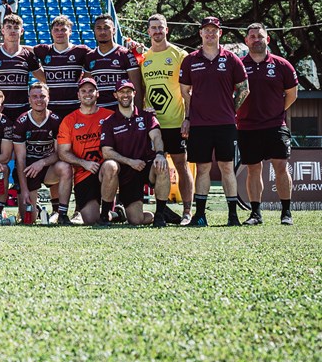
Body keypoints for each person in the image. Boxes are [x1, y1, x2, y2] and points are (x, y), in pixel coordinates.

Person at [179, 16, 249, 227]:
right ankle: (200, 216)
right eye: (206, 30)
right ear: (200, 33)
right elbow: (185, 91)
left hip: (225, 124)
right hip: (199, 124)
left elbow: (244, 88)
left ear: (220, 33)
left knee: (227, 167)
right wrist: (190, 116)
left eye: (214, 30)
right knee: (202, 168)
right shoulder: (191, 59)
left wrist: (231, 111)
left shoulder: (231, 59)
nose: (210, 34)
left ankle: (232, 216)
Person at [237, 23, 298, 226]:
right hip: (247, 126)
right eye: (252, 36)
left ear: (267, 40)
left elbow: (292, 94)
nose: (256, 39)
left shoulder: (282, 65)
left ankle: (286, 212)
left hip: (275, 125)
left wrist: (277, 111)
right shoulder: (238, 65)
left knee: (281, 166)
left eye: (260, 36)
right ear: (246, 41)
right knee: (253, 169)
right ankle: (255, 214)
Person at [139, 13, 192, 224]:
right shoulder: (144, 59)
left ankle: (187, 211)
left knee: (181, 165)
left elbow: (189, 91)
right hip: (153, 125)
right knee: (152, 168)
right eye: (153, 28)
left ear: (167, 29)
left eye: (161, 27)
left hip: (175, 122)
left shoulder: (180, 55)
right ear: (148, 31)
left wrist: (188, 117)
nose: (157, 31)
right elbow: (141, 90)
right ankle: (162, 208)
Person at [100, 80, 171, 226]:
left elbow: (156, 136)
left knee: (162, 164)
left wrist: (159, 153)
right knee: (136, 220)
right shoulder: (109, 122)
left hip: (147, 165)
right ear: (116, 95)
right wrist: (130, 162)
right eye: (121, 92)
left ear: (134, 93)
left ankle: (160, 214)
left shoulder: (147, 116)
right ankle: (106, 215)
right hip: (126, 171)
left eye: (128, 91)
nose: (125, 95)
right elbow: (107, 152)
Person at [13, 83, 73, 225]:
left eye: (42, 96)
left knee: (65, 166)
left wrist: (42, 162)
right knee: (29, 220)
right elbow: (20, 160)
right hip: (28, 171)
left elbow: (60, 153)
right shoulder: (21, 122)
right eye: (34, 97)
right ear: (29, 100)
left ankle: (62, 213)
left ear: (48, 98)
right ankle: (35, 208)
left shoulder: (56, 120)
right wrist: (25, 190)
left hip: (47, 168)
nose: (38, 100)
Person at [56, 77, 114, 225]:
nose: (87, 94)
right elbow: (63, 152)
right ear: (78, 95)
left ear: (97, 93)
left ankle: (107, 212)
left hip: (104, 170)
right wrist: (84, 163)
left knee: (110, 166)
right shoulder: (69, 120)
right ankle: (116, 214)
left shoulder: (109, 116)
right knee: (90, 219)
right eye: (83, 91)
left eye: (91, 90)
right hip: (84, 173)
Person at [0, 14, 45, 121]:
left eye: (16, 28)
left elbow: (46, 79)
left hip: (22, 112)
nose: (12, 31)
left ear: (22, 31)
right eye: (9, 27)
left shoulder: (28, 55)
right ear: (2, 30)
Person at [84, 14, 142, 110]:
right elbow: (87, 87)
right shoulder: (90, 56)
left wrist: (138, 114)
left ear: (114, 30)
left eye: (106, 28)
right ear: (94, 31)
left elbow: (137, 88)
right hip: (98, 112)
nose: (102, 31)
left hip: (121, 112)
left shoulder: (125, 54)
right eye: (99, 28)